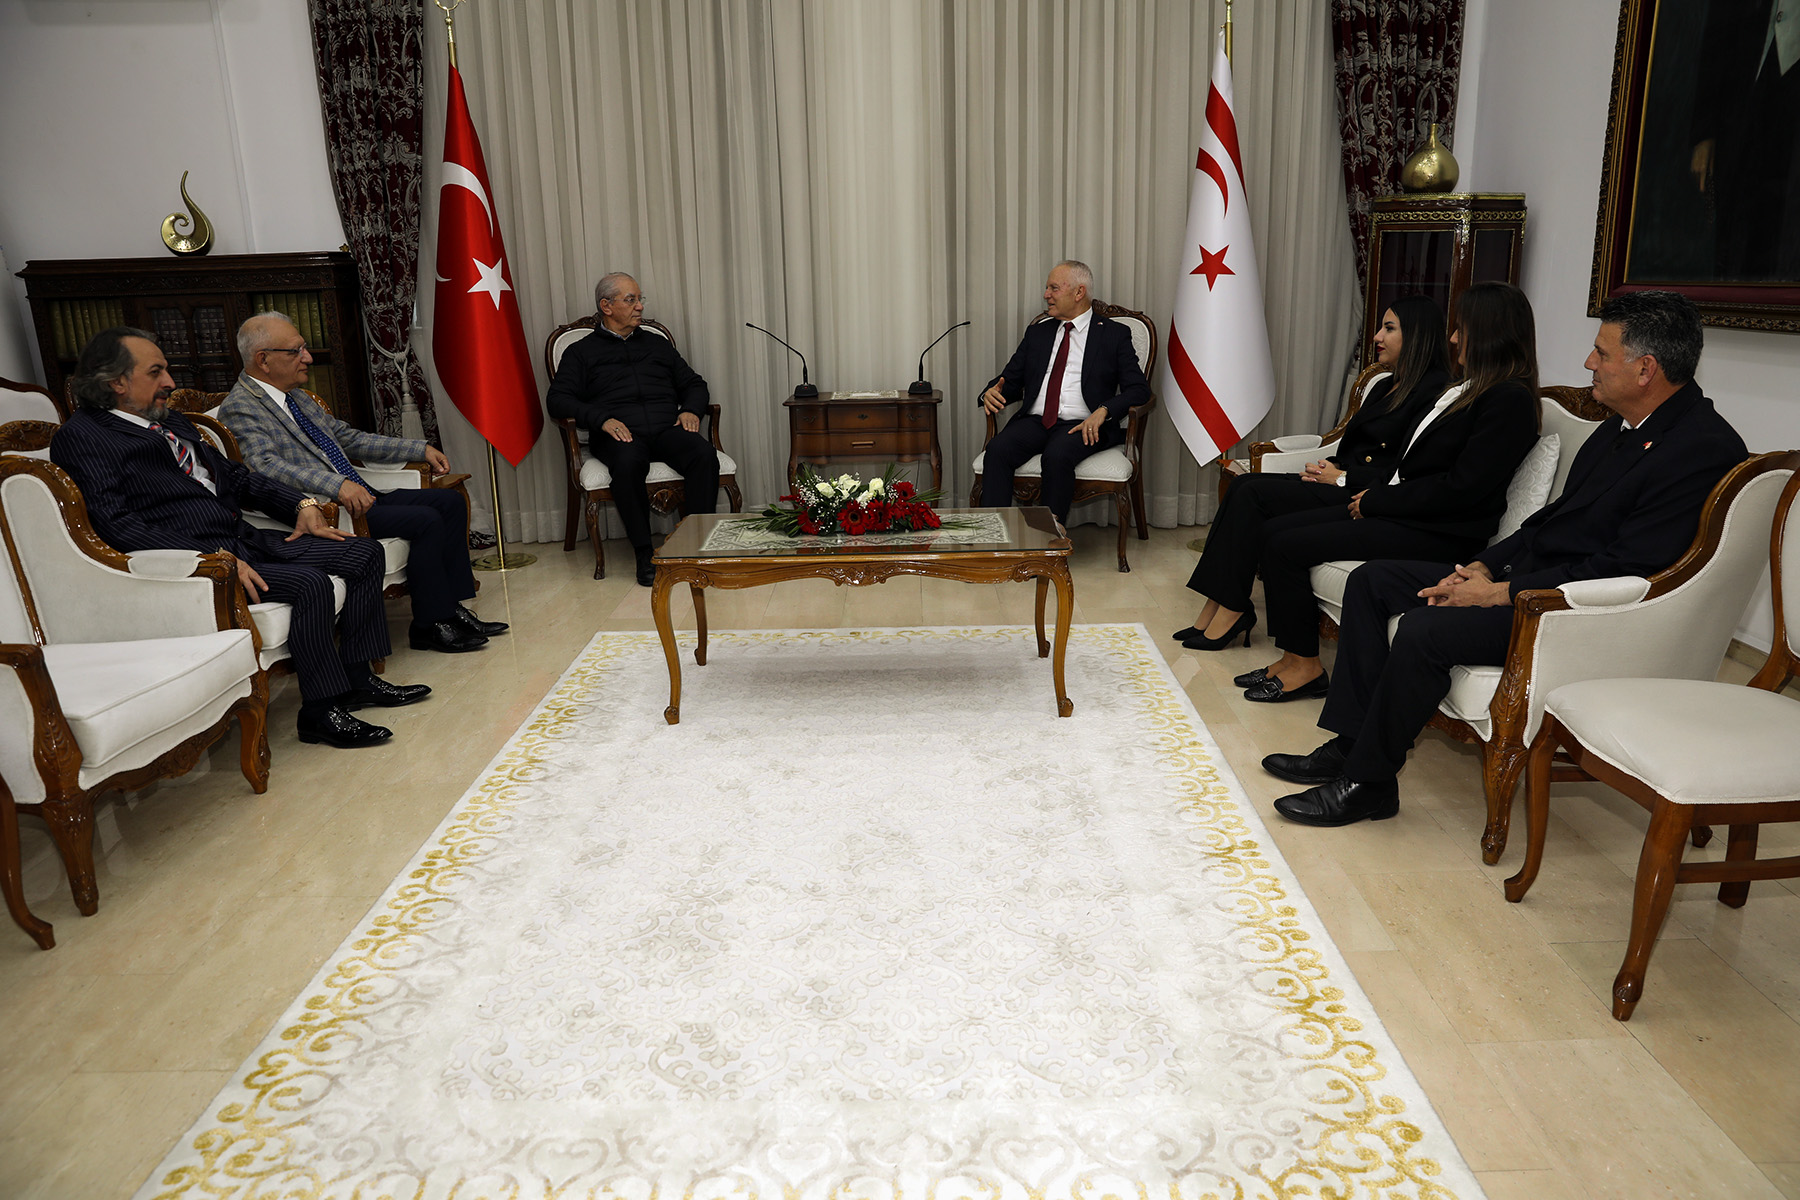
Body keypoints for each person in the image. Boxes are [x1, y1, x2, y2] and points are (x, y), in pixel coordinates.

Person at [1263, 290, 1749, 827]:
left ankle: (1369, 784)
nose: (1588, 362)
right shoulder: (1622, 426)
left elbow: (1624, 569)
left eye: (1602, 353)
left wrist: (1500, 593)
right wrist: (1487, 565)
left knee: (1425, 629)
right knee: (1373, 583)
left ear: (1645, 369)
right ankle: (1351, 745)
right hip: (1530, 579)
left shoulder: (1700, 449)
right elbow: (1551, 520)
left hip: (1571, 611)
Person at [50, 328, 431, 749]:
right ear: (115, 382)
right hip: (199, 562)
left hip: (243, 539)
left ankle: (359, 679)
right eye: (156, 372)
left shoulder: (168, 420)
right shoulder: (83, 437)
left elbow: (236, 478)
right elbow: (117, 525)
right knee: (310, 584)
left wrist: (300, 504)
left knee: (364, 553)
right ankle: (320, 713)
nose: (170, 383)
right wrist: (208, 556)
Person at [1185, 285, 1541, 706]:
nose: (1453, 338)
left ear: (1490, 332)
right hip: (1410, 515)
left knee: (1283, 543)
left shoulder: (1509, 400)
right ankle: (1294, 658)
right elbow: (1418, 467)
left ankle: (1305, 667)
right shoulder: (1475, 390)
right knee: (1274, 534)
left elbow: (1461, 489)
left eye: (1462, 329)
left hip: (1440, 534)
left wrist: (1372, 499)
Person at [1176, 294, 1453, 653]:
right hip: (1340, 480)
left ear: (1416, 336)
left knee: (1252, 494)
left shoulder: (1435, 393)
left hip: (1363, 494)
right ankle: (1219, 603)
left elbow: (1406, 469)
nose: (1377, 337)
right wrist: (1329, 468)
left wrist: (1342, 477)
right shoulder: (1386, 384)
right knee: (1243, 485)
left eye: (1389, 328)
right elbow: (1354, 446)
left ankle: (1232, 608)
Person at [219, 312, 505, 654]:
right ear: (263, 360)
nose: (307, 357)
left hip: (361, 495)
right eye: (296, 351)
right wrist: (336, 484)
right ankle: (429, 626)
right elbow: (265, 466)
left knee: (450, 501)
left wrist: (418, 448)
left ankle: (450, 608)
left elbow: (349, 439)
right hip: (328, 509)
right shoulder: (241, 407)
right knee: (426, 519)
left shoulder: (296, 397)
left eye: (304, 348)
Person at [546, 272, 720, 586]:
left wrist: (691, 410)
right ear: (606, 306)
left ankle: (697, 546)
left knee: (703, 453)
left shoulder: (657, 344)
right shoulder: (581, 352)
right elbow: (558, 400)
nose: (640, 306)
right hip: (619, 435)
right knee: (628, 462)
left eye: (640, 299)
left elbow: (694, 384)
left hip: (665, 429)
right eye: (631, 300)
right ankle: (644, 552)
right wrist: (601, 419)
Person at [978, 260, 1150, 523]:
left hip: (1083, 425)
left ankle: (1048, 537)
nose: (1046, 295)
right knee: (998, 449)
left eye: (1054, 288)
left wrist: (1104, 411)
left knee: (1057, 455)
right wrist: (990, 392)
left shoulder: (1113, 335)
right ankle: (995, 535)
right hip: (1036, 421)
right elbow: (1009, 380)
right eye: (1047, 288)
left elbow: (1139, 390)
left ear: (1079, 292)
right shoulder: (1038, 333)